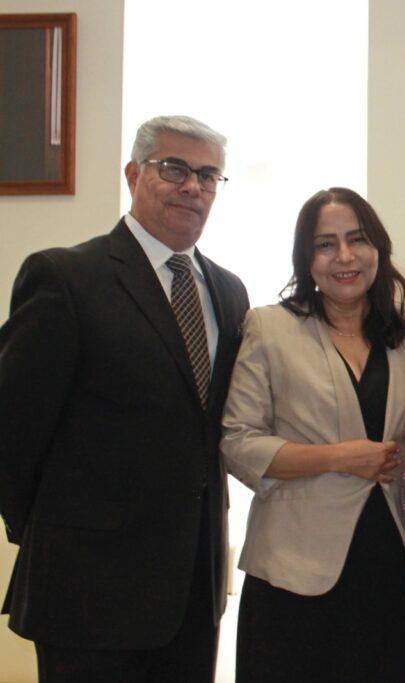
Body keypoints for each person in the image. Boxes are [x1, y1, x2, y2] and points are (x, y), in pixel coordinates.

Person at [0, 115, 249, 681]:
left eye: (208, 176)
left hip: (193, 588)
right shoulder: (66, 277)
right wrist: (51, 531)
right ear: (134, 174)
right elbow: (12, 429)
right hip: (86, 589)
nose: (193, 187)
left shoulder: (229, 291)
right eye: (174, 169)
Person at [220, 188, 405, 681]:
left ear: (379, 248)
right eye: (325, 244)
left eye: (358, 239)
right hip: (293, 570)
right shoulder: (270, 327)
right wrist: (338, 457)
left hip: (391, 565)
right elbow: (238, 442)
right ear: (306, 258)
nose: (344, 256)